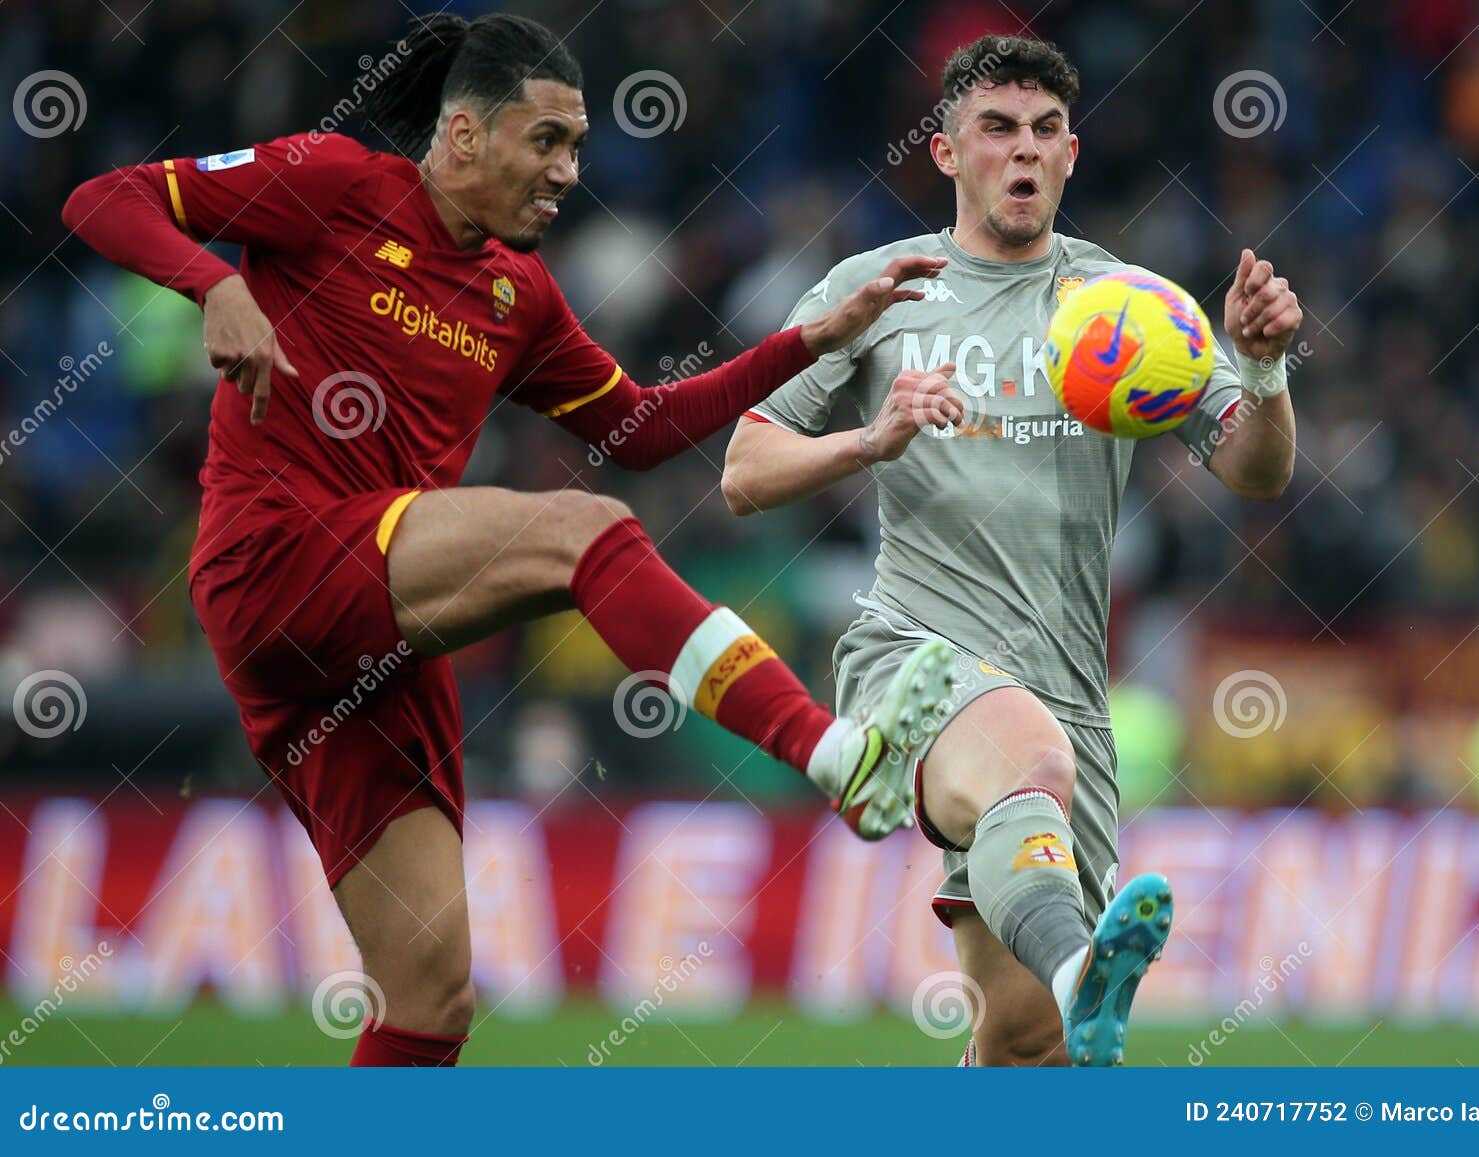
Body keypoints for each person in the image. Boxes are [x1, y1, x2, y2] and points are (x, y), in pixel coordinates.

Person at [60, 10, 960, 1066]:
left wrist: (810, 341)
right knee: (581, 534)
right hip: (276, 559)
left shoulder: (516, 294)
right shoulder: (335, 180)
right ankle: (828, 747)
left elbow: (640, 427)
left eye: (577, 145)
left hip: (372, 644)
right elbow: (101, 197)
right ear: (464, 135)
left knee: (432, 999)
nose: (569, 170)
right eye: (547, 141)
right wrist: (215, 282)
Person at [722, 34, 1300, 1066]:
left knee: (1026, 1045)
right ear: (946, 151)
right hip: (914, 659)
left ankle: (1060, 986)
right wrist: (869, 439)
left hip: (1068, 691)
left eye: (1042, 131)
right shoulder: (880, 287)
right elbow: (743, 469)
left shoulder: (1125, 305)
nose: (1021, 150)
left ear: (1070, 154)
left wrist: (1258, 372)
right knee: (1023, 763)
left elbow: (1251, 470)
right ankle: (1085, 965)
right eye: (995, 128)